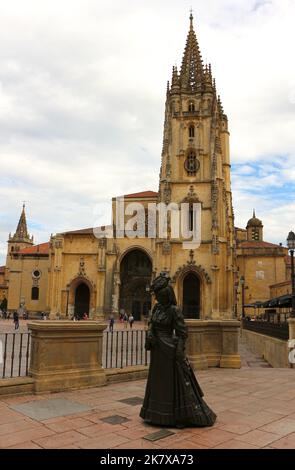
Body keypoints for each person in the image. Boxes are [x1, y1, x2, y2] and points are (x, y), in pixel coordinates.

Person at [140, 272, 216, 428]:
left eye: (160, 296)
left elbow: (182, 332)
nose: (157, 298)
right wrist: (150, 334)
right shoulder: (156, 309)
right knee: (158, 381)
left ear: (166, 295)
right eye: (157, 296)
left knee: (172, 382)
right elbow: (151, 324)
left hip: (169, 349)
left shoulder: (174, 310)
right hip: (158, 350)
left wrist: (180, 350)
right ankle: (155, 413)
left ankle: (175, 415)